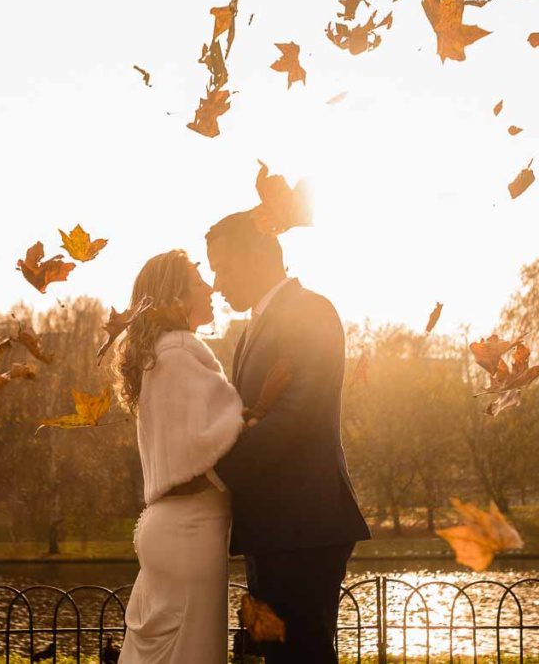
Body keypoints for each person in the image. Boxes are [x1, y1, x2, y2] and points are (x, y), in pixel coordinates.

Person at [206, 210, 371, 664]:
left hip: (305, 522)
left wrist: (216, 476)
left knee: (303, 653)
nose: (217, 283)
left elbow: (297, 416)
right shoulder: (251, 329)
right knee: (281, 655)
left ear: (258, 256)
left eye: (223, 268)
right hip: (276, 524)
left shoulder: (311, 312)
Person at [115, 249, 285, 664]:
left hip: (176, 528)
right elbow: (210, 445)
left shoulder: (163, 356)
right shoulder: (177, 355)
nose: (210, 287)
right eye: (198, 280)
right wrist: (263, 406)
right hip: (189, 531)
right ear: (175, 296)